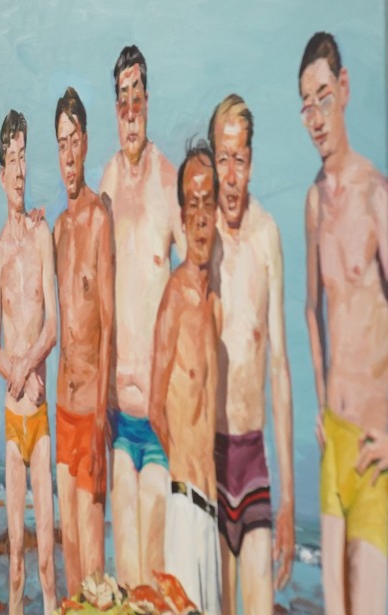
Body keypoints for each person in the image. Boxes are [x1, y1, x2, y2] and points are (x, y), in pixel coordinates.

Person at [299, 31, 388, 615]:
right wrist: (318, 397)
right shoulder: (312, 202)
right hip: (334, 439)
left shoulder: (377, 195)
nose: (316, 117)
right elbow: (311, 308)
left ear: (346, 89)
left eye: (324, 97)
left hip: (375, 451)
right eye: (306, 104)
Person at [98, 45, 185, 587]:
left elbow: (193, 284)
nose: (130, 110)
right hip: (116, 414)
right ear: (116, 108)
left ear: (148, 102)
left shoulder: (168, 182)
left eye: (137, 97)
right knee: (125, 576)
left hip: (158, 416)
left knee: (155, 577)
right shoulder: (105, 181)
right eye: (122, 100)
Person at [207, 94, 295, 614]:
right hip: (209, 459)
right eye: (223, 158)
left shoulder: (267, 238)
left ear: (252, 162)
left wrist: (288, 498)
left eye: (240, 159)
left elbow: (280, 367)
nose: (232, 173)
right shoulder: (202, 239)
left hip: (255, 462)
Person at [148, 142, 222, 615]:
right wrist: (183, 476)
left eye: (207, 203)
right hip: (185, 504)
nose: (199, 217)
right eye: (190, 204)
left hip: (211, 512)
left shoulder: (216, 297)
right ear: (181, 213)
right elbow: (157, 404)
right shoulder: (175, 295)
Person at [0, 110, 58, 614]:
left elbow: (53, 324)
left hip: (41, 418)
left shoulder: (41, 237)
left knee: (48, 562)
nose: (18, 171)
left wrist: (32, 364)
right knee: (15, 560)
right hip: (14, 422)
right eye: (10, 160)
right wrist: (18, 371)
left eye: (23, 158)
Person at [51, 87, 113, 594]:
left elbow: (107, 323)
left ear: (87, 144)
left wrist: (102, 418)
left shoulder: (98, 220)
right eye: (60, 144)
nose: (68, 155)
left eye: (74, 141)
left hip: (92, 408)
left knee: (94, 568)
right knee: (70, 561)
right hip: (62, 408)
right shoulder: (57, 231)